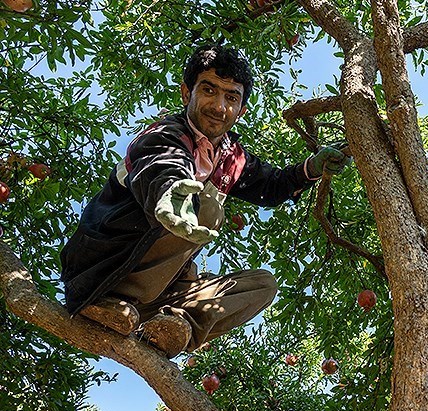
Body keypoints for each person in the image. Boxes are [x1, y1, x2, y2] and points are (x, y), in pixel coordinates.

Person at [60, 43, 351, 358]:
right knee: (208, 208)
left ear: (241, 111)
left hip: (160, 293)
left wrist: (311, 168)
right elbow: (160, 166)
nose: (219, 106)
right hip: (106, 273)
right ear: (187, 93)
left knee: (262, 285)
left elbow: (273, 186)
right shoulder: (164, 134)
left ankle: (172, 328)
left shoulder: (231, 158)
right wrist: (169, 196)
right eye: (209, 90)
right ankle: (108, 302)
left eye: (231, 97)